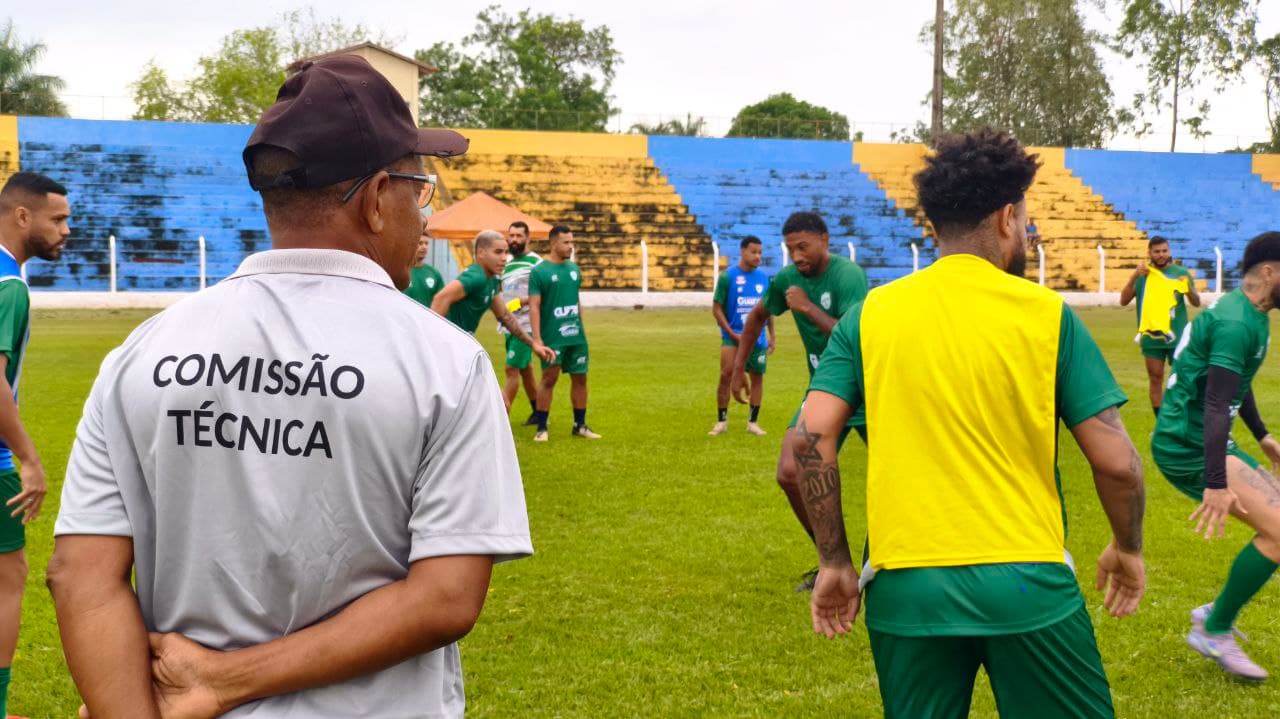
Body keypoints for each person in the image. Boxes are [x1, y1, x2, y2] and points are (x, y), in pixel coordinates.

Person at [48, 55, 533, 718]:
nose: (424, 216)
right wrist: (224, 680)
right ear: (373, 199)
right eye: (418, 191)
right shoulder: (444, 361)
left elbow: (81, 573)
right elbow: (444, 597)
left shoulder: (144, 352)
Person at [796, 129, 1146, 718]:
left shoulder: (870, 315)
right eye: (1027, 217)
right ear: (1008, 217)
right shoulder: (1046, 315)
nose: (1028, 230)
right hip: (1025, 581)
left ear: (937, 225)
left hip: (906, 586)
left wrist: (834, 562)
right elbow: (1116, 461)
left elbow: (808, 441)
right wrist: (1127, 546)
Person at [1152, 231, 1280, 681]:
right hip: (1186, 442)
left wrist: (1262, 436)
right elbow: (1213, 404)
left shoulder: (1249, 314)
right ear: (1269, 272)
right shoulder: (1237, 322)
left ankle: (1217, 616)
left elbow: (1229, 387)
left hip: (1201, 436)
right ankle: (1215, 626)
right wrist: (1216, 482)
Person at [731, 211, 868, 590]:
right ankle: (832, 561)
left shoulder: (848, 276)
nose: (796, 256)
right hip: (825, 391)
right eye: (791, 249)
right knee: (790, 473)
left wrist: (807, 307)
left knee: (905, 472)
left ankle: (902, 559)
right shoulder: (788, 279)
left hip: (868, 389)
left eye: (803, 246)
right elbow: (758, 316)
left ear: (824, 239)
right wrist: (738, 367)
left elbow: (855, 335)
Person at [0, 171, 68, 716]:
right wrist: (28, 458)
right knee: (8, 579)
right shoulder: (10, 286)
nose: (66, 229)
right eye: (58, 218)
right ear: (23, 217)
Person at [432, 231, 554, 382]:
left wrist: (533, 343)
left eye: (505, 252)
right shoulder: (476, 277)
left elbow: (505, 316)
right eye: (498, 252)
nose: (504, 258)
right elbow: (441, 298)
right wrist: (434, 342)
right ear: (481, 253)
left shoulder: (492, 280)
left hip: (462, 348)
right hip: (448, 350)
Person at [528, 225, 600, 442]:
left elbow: (576, 302)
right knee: (549, 379)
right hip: (552, 337)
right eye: (566, 242)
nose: (570, 246)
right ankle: (542, 428)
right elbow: (534, 307)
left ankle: (580, 425)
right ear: (553, 243)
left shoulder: (574, 270)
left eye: (572, 242)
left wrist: (581, 327)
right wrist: (538, 339)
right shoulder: (539, 272)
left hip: (576, 336)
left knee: (581, 378)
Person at [1119, 236, 1201, 417]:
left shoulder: (1180, 273)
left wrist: (1188, 288)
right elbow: (1123, 300)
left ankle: (1185, 420)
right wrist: (1134, 276)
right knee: (1155, 379)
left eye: (1164, 250)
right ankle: (1161, 426)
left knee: (1184, 380)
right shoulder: (1143, 276)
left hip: (1178, 338)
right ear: (1149, 253)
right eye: (1157, 251)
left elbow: (1196, 302)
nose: (1161, 255)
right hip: (1152, 337)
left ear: (1169, 251)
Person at [710, 235, 774, 436]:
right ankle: (721, 421)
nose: (757, 257)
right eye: (754, 252)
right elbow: (716, 309)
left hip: (757, 337)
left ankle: (753, 422)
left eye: (760, 253)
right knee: (726, 375)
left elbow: (768, 309)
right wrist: (730, 332)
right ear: (743, 251)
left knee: (757, 378)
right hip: (732, 336)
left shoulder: (764, 278)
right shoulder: (728, 277)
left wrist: (773, 335)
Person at [501, 221, 543, 425]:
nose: (514, 240)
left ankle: (500, 415)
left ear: (528, 238)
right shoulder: (506, 262)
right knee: (525, 369)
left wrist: (521, 302)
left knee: (511, 369)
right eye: (512, 236)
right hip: (509, 324)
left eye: (519, 236)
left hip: (526, 324)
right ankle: (538, 411)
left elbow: (543, 292)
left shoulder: (536, 262)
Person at [403, 228, 445, 309]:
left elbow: (442, 303)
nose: (424, 247)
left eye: (426, 243)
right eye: (420, 243)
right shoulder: (401, 272)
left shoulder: (434, 274)